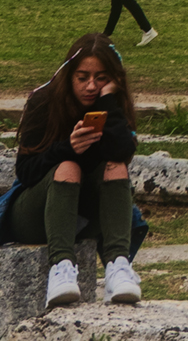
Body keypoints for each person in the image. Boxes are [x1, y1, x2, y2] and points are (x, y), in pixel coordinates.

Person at [0, 33, 143, 309]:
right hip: (35, 212)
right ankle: (61, 268)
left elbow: (123, 152)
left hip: (85, 212)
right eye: (82, 77)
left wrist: (108, 103)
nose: (91, 85)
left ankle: (117, 266)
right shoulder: (43, 101)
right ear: (69, 75)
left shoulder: (110, 103)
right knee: (69, 167)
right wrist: (67, 148)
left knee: (116, 167)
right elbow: (26, 173)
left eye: (101, 78)